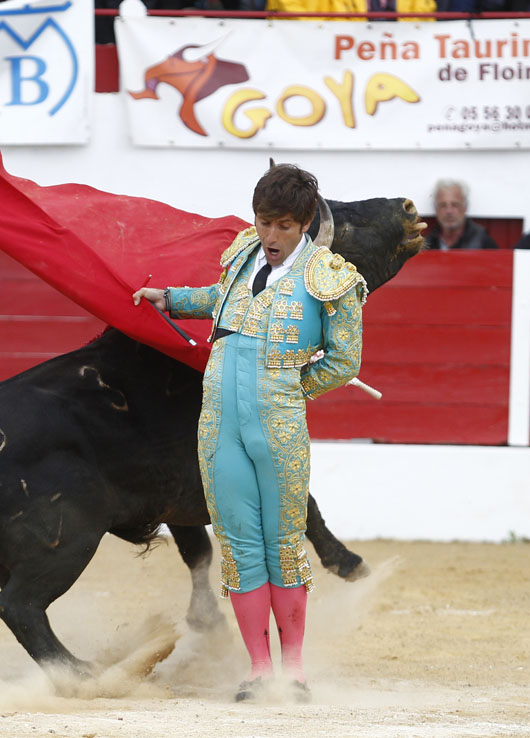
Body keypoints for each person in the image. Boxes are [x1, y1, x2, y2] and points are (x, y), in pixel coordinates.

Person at [132, 164, 365, 702]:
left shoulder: (330, 276)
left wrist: (289, 386)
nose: (271, 236)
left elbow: (345, 359)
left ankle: (296, 671)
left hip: (278, 425)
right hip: (220, 424)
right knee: (239, 544)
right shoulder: (242, 257)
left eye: (283, 225)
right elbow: (219, 301)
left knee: (282, 544)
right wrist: (172, 298)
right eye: (264, 222)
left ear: (305, 223)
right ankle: (260, 670)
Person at [425, 179, 498, 251]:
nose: (449, 211)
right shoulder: (427, 243)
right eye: (443, 205)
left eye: (455, 205)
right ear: (435, 209)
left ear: (465, 207)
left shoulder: (482, 241)